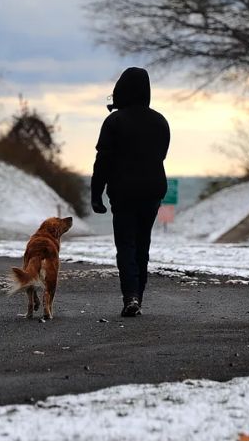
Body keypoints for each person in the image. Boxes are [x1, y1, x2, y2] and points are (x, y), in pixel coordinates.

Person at [90, 67, 170, 318]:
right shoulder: (160, 121)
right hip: (153, 191)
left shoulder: (114, 121)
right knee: (142, 244)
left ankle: (130, 296)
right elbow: (161, 155)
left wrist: (96, 193)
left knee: (125, 244)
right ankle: (139, 297)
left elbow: (103, 160)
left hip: (124, 193)